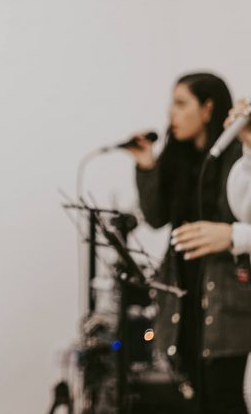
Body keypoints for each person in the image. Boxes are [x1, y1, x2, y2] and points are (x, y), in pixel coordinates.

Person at [127, 72, 249, 413]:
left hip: (225, 292)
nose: (172, 113)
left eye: (181, 104)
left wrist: (227, 235)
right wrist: (146, 166)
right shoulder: (177, 157)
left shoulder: (236, 157)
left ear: (208, 109)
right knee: (190, 388)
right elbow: (155, 216)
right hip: (183, 285)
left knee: (223, 392)